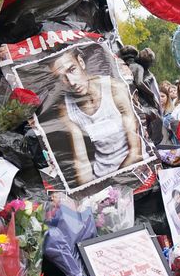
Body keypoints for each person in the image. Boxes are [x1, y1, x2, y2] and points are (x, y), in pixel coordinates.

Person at [49, 47, 144, 187]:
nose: (72, 82)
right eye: (61, 77)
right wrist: (92, 192)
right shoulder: (66, 108)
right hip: (100, 177)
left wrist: (113, 186)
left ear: (81, 62)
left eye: (72, 70)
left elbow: (136, 151)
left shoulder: (113, 88)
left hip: (133, 169)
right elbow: (81, 162)